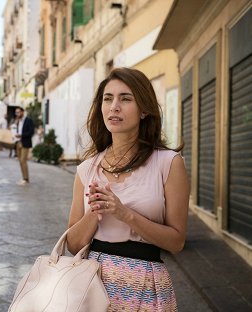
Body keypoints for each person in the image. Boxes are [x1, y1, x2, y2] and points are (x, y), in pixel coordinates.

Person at [66, 67, 189, 311]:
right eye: (108, 99)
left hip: (146, 286)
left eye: (125, 98)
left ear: (144, 110)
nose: (114, 107)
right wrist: (95, 212)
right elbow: (72, 244)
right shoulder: (86, 169)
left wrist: (125, 214)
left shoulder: (168, 163)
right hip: (93, 285)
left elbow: (177, 242)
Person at [14, 107, 35, 185]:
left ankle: (26, 179)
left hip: (25, 142)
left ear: (22, 112)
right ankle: (24, 178)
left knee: (23, 160)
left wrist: (22, 135)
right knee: (20, 161)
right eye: (16, 112)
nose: (17, 114)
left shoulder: (28, 120)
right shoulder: (18, 121)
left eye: (18, 112)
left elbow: (31, 132)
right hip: (18, 142)